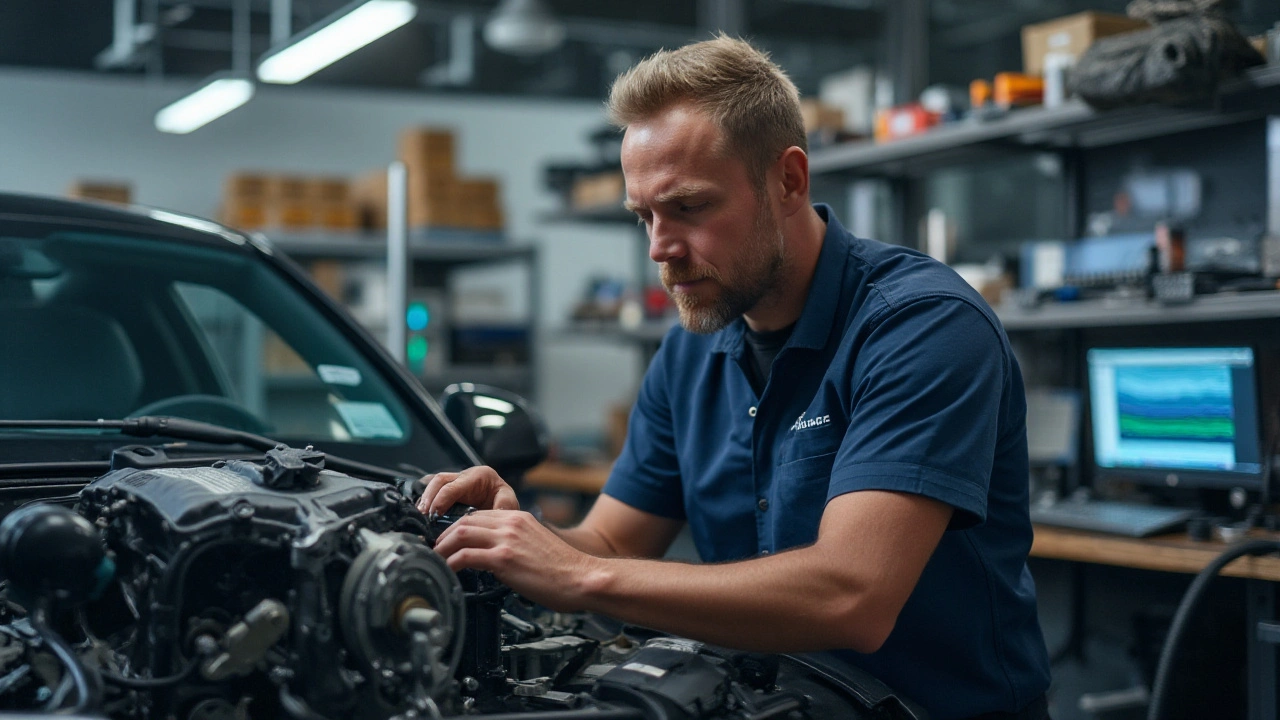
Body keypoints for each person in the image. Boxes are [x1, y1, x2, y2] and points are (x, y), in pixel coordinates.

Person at [420, 35, 1052, 720]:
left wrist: (582, 576)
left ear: (788, 180)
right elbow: (608, 544)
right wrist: (519, 539)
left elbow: (853, 596)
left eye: (688, 208)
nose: (659, 249)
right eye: (644, 216)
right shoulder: (691, 350)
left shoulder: (920, 326)